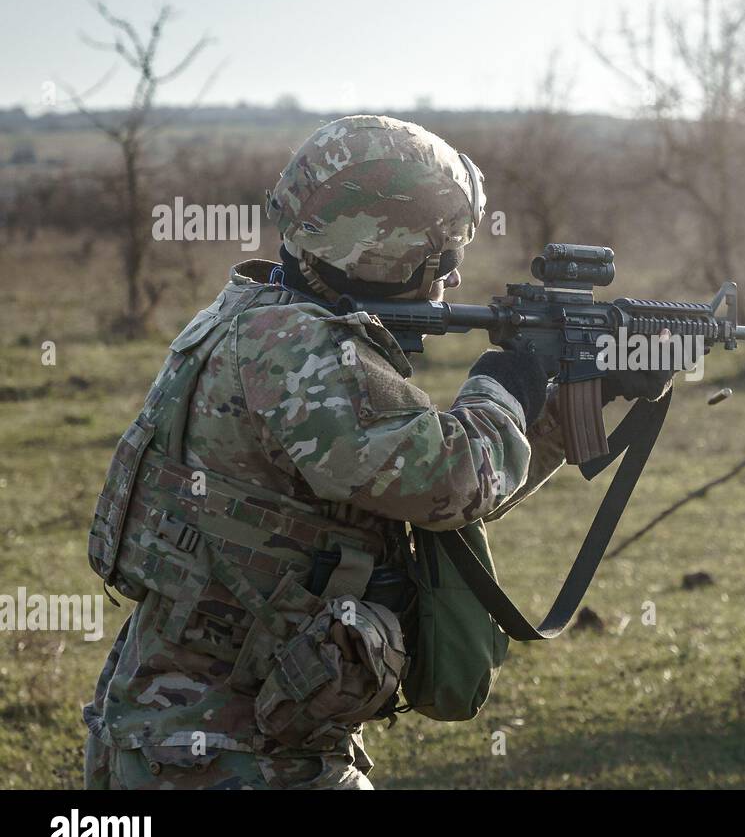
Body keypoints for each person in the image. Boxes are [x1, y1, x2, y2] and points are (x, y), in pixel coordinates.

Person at [83, 115, 668, 789]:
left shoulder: (253, 313)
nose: (451, 275)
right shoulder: (302, 351)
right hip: (235, 751)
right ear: (389, 251)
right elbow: (450, 482)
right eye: (443, 254)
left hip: (182, 724)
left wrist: (581, 405)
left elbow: (421, 485)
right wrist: (502, 386)